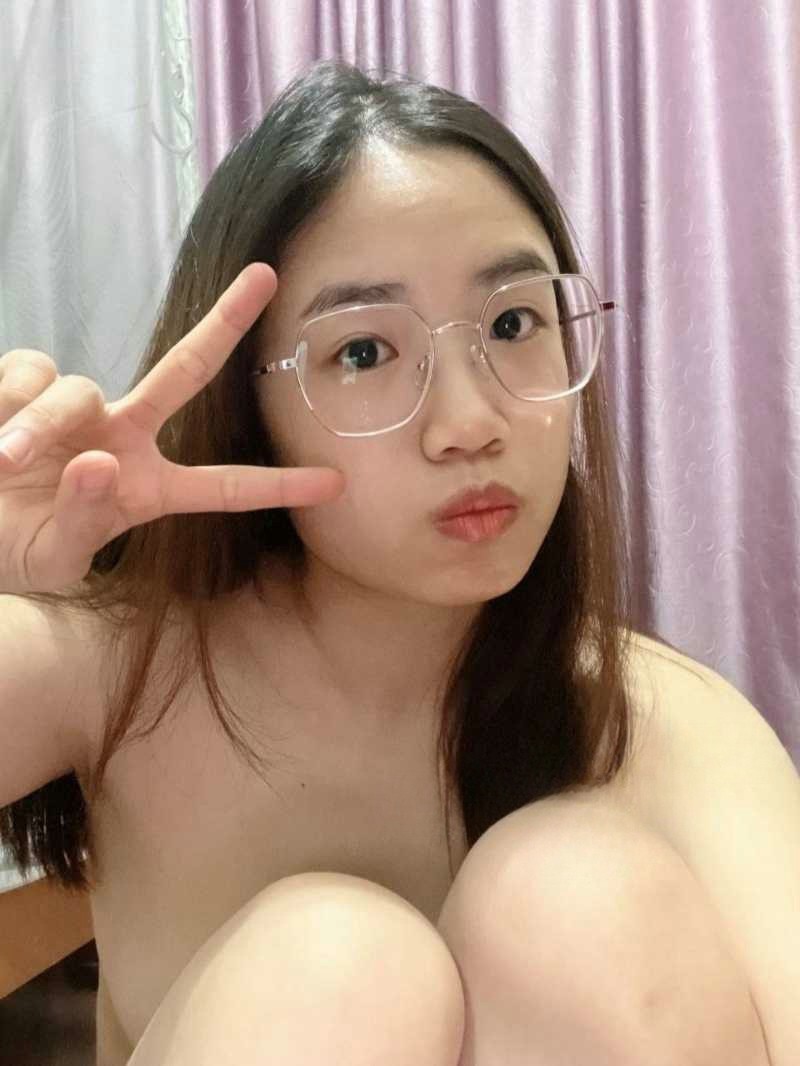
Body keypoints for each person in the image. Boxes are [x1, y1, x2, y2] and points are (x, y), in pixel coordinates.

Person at [0, 60, 774, 1066]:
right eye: (363, 352)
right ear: (250, 404)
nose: (468, 422)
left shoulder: (653, 717)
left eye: (512, 324)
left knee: (573, 892)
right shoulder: (122, 665)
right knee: (337, 963)